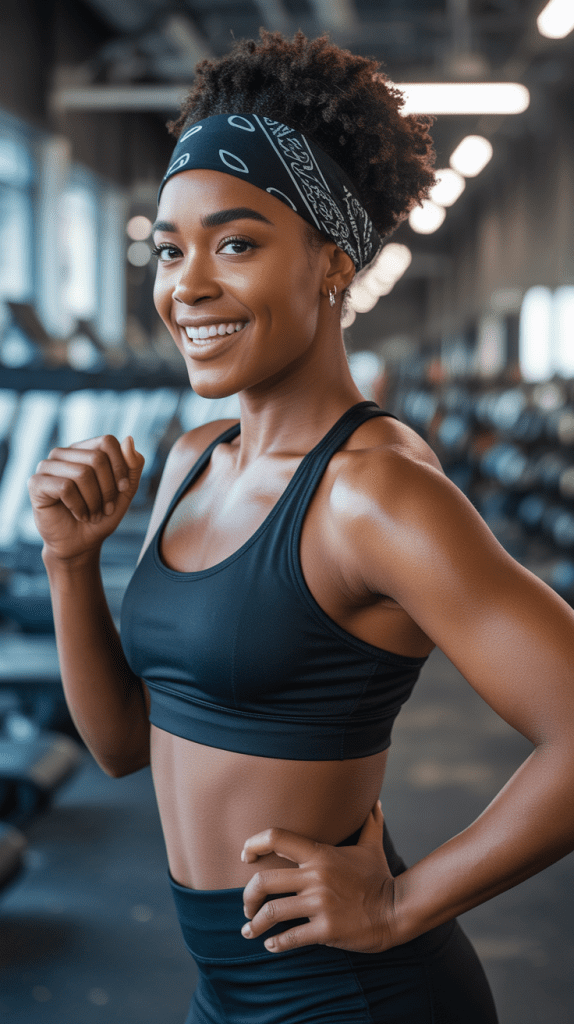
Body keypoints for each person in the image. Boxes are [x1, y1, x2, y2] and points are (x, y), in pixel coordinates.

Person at [28, 30, 574, 1024]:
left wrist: (405, 899)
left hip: (350, 995)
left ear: (331, 263)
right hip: (222, 990)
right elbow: (122, 745)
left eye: (236, 242)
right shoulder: (191, 459)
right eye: (170, 248)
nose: (186, 285)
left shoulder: (375, 493)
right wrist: (72, 561)